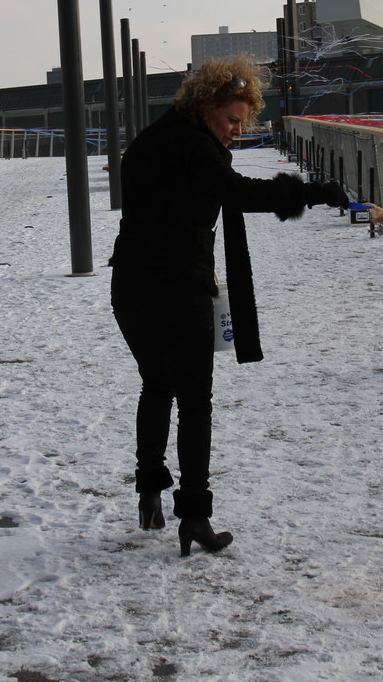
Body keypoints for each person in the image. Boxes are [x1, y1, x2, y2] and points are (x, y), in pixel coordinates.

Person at [109, 56, 346, 557]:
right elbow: (237, 192)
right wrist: (312, 193)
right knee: (195, 402)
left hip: (130, 286)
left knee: (157, 384)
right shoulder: (193, 146)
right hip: (177, 287)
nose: (239, 130)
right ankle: (195, 517)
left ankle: (149, 492)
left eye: (244, 121)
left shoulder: (152, 139)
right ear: (206, 106)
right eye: (233, 120)